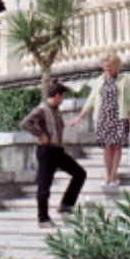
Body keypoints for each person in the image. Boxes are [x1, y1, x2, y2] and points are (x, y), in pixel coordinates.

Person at [18, 82, 85, 228]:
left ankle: (67, 204)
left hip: (58, 150)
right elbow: (25, 123)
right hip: (47, 151)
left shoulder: (56, 109)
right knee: (44, 185)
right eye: (63, 97)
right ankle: (43, 218)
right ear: (57, 96)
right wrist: (41, 134)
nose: (63, 100)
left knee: (80, 174)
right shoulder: (42, 109)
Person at [69, 53, 130, 190]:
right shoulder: (99, 80)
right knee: (106, 147)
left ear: (116, 66)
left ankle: (113, 175)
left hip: (119, 116)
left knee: (117, 146)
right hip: (103, 117)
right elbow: (91, 99)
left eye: (110, 66)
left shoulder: (123, 80)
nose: (107, 69)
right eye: (105, 67)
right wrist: (80, 116)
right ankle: (107, 175)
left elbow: (129, 100)